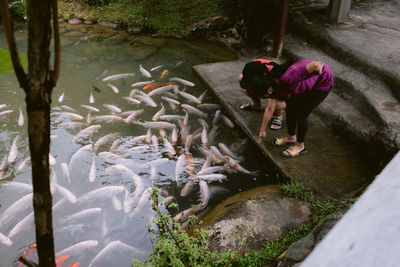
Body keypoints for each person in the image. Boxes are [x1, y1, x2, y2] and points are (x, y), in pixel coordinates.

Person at [256, 59, 334, 158]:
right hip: (305, 79)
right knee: (290, 108)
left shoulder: (287, 79)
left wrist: (318, 71)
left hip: (322, 82)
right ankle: (291, 137)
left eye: (266, 94)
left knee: (302, 115)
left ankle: (300, 146)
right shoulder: (275, 80)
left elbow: (315, 65)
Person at [238, 59, 286, 130]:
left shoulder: (278, 78)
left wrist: (262, 130)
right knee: (243, 84)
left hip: (281, 91)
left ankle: (278, 115)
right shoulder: (252, 66)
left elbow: (270, 109)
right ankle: (256, 105)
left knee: (278, 105)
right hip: (265, 84)